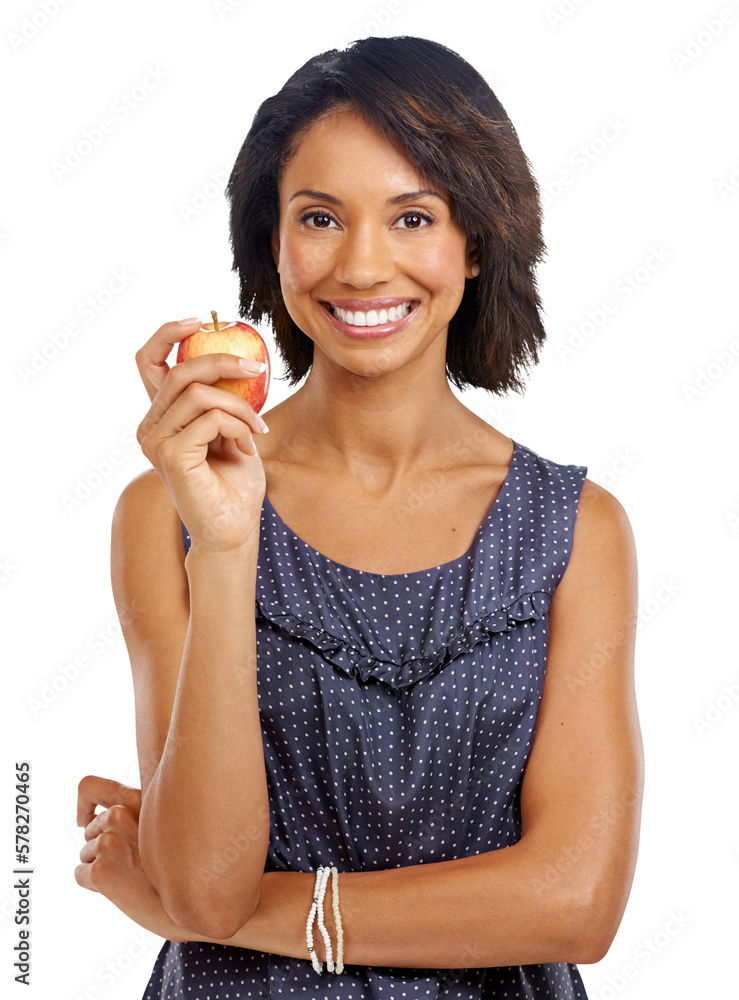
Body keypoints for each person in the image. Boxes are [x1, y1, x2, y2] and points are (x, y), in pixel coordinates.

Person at [74, 35, 643, 999]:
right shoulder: (164, 512)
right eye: (321, 218)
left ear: (475, 241)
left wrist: (221, 909)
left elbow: (575, 904)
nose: (364, 265)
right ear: (274, 245)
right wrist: (222, 545)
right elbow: (206, 880)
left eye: (412, 216)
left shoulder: (576, 529)